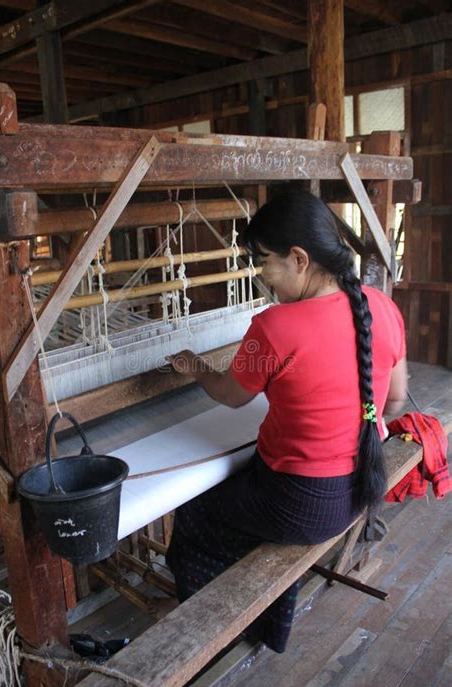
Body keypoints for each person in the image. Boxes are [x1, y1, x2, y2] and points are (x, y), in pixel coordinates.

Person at [163, 189, 408, 653]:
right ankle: (269, 625)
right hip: (359, 487)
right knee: (248, 511)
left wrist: (195, 366)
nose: (261, 274)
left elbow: (232, 397)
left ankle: (214, 638)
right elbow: (392, 402)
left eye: (264, 261)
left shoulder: (272, 328)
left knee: (194, 517)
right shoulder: (383, 308)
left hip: (301, 503)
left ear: (299, 258)